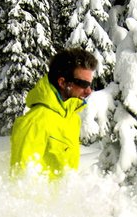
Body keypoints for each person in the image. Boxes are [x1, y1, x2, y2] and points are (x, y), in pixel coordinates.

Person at [10, 48, 98, 178]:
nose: (89, 91)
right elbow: (20, 179)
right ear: (62, 82)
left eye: (90, 84)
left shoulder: (72, 119)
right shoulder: (35, 121)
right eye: (83, 84)